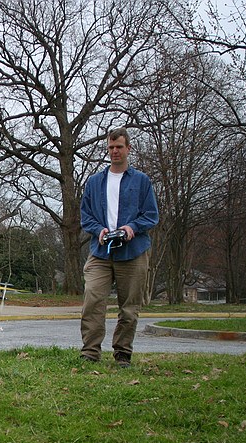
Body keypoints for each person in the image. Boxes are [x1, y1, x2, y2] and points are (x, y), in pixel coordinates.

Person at [80, 128, 159, 367]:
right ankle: (90, 352)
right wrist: (99, 230)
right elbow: (86, 216)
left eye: (119, 147)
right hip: (101, 252)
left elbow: (151, 216)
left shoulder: (141, 181)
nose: (115, 151)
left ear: (128, 149)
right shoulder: (94, 182)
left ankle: (122, 353)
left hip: (133, 252)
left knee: (129, 307)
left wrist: (131, 227)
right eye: (111, 147)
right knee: (92, 300)